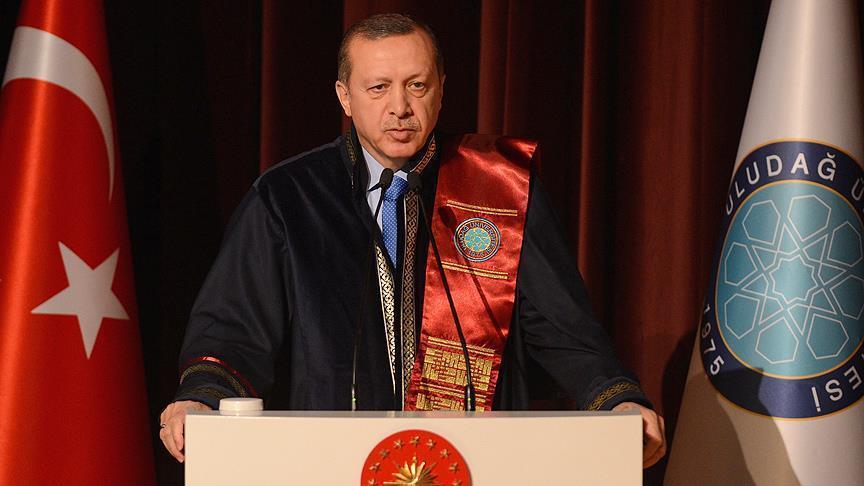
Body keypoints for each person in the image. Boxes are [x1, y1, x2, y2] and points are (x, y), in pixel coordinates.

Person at [159, 13, 666, 468]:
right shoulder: (288, 199)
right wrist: (201, 396)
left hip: (478, 464)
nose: (399, 107)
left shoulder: (498, 189)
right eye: (378, 88)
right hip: (328, 464)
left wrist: (615, 398)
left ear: (441, 91)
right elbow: (233, 331)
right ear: (345, 97)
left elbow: (563, 330)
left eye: (416, 85)